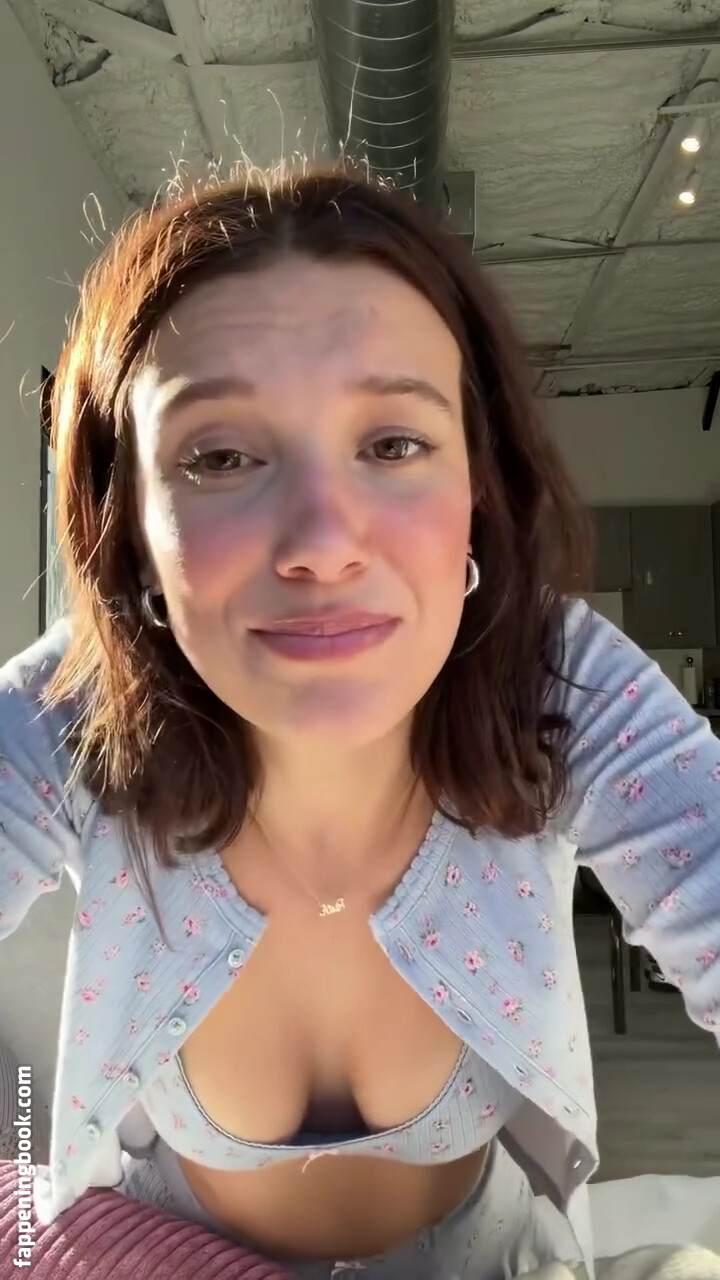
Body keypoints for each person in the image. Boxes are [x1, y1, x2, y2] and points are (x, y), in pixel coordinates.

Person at [0, 163, 719, 1280]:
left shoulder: (551, 679)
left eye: (392, 444)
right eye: (220, 456)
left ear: (477, 487)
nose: (324, 542)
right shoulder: (77, 711)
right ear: (129, 524)